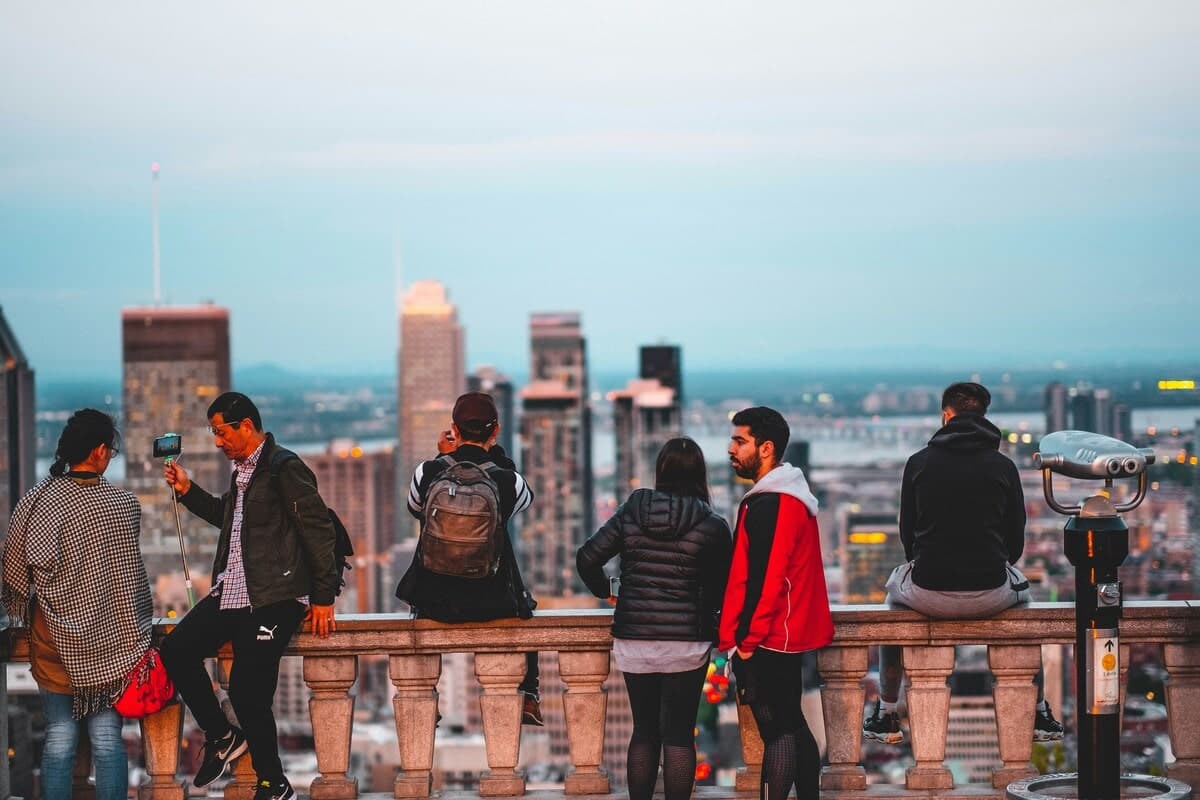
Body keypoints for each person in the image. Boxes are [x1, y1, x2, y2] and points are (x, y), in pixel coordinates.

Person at [160, 392, 339, 800]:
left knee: (245, 689)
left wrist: (323, 597)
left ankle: (272, 782)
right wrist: (188, 491)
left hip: (276, 596)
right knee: (177, 650)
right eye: (213, 433)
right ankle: (222, 736)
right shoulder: (243, 472)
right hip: (234, 591)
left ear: (245, 426)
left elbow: (318, 530)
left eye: (221, 432)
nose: (217, 441)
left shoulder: (284, 468)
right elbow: (229, 518)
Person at [863, 382, 1063, 745]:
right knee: (1026, 600)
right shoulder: (1003, 467)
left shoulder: (918, 463)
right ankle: (1038, 710)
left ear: (945, 415)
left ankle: (887, 711)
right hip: (991, 592)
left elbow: (908, 535)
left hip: (926, 590)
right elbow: (1015, 540)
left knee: (892, 602)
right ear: (984, 418)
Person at [3, 409, 152, 800]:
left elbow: (16, 567)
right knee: (106, 740)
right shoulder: (123, 506)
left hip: (51, 639)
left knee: (58, 738)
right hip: (110, 644)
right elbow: (130, 582)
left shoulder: (37, 501)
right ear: (100, 451)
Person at [577, 437, 733, 800]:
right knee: (679, 734)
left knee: (644, 731)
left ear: (660, 471)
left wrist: (609, 590)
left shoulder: (634, 509)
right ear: (700, 474)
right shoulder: (712, 524)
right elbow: (726, 586)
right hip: (687, 641)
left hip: (635, 637)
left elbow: (587, 557)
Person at [395, 391, 542, 723]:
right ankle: (530, 694)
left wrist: (442, 456)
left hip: (435, 600)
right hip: (493, 601)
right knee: (527, 607)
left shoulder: (427, 472)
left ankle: (422, 697)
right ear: (495, 431)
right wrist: (497, 458)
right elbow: (524, 499)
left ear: (454, 429)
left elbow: (414, 508)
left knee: (418, 605)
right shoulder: (508, 479)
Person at [720, 406, 832, 800]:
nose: (730, 449)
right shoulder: (783, 497)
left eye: (740, 441)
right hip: (785, 632)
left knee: (777, 729)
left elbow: (768, 579)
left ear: (766, 448)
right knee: (794, 726)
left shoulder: (774, 503)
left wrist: (746, 642)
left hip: (770, 636)